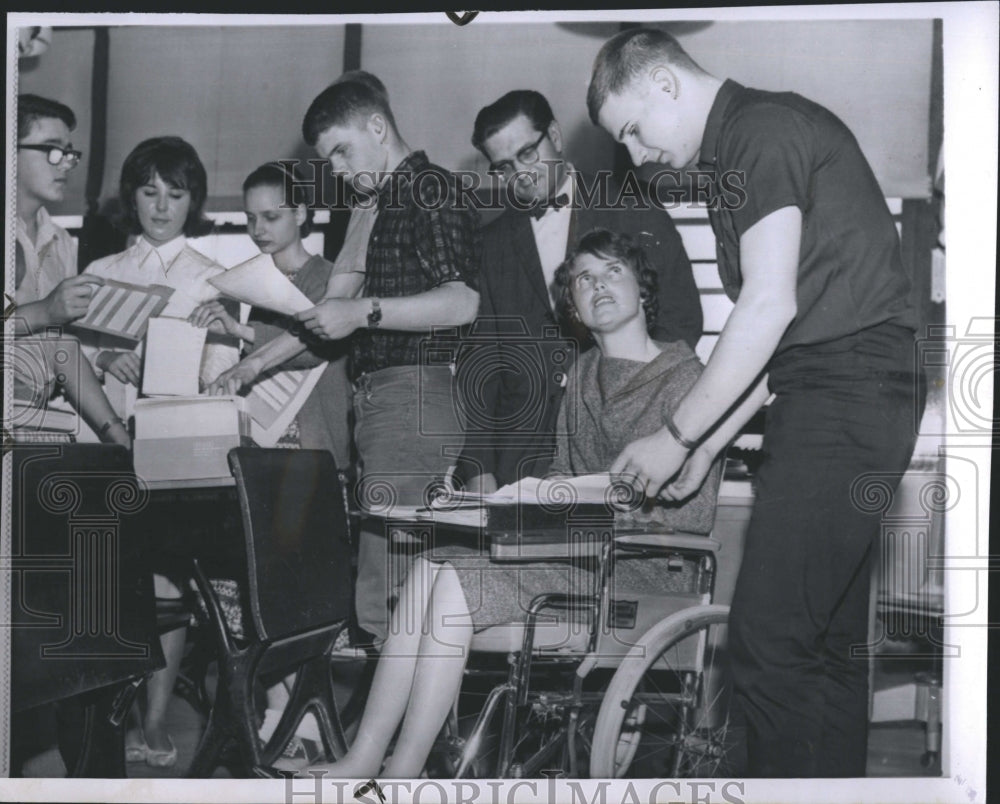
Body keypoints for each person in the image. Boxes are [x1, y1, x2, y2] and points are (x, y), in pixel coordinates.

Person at [587, 28, 924, 777]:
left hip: (847, 386)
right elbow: (777, 347)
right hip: (841, 385)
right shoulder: (735, 158)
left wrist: (674, 434)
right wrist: (705, 449)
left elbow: (767, 308)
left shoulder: (758, 132)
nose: (636, 155)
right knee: (822, 646)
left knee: (766, 643)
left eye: (634, 129)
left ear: (665, 83)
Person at [278, 229, 723, 779]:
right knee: (431, 564)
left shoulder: (688, 380)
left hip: (647, 573)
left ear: (643, 289)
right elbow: (565, 476)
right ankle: (365, 756)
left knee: (458, 583)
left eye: (613, 271)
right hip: (580, 560)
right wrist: (525, 503)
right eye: (584, 278)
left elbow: (693, 515)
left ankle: (403, 775)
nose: (598, 285)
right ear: (573, 307)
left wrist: (583, 509)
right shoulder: (582, 374)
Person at [215, 72, 480, 646]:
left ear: (378, 127)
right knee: (383, 591)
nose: (335, 168)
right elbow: (332, 314)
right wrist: (255, 365)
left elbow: (462, 302)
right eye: (327, 158)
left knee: (397, 595)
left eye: (341, 150)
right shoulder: (372, 203)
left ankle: (405, 736)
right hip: (381, 405)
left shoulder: (429, 189)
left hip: (414, 394)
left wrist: (364, 312)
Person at [80, 136, 239, 768]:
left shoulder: (212, 276)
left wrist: (206, 349)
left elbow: (226, 373)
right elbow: (73, 365)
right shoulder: (100, 274)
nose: (161, 206)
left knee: (171, 585)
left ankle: (154, 718)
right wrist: (102, 357)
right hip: (110, 447)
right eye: (149, 191)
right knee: (113, 583)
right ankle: (111, 710)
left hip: (180, 454)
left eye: (175, 193)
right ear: (132, 196)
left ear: (194, 198)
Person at [458, 89, 703, 495]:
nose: (519, 174)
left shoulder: (633, 209)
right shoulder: (491, 243)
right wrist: (478, 465)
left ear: (554, 134)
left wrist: (641, 409)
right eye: (502, 167)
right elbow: (482, 365)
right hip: (522, 456)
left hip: (623, 441)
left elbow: (682, 321)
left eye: (527, 154)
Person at [13, 93, 128, 448]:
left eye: (69, 153)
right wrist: (46, 310)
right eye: (52, 149)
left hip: (38, 419)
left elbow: (60, 346)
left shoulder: (61, 240)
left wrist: (118, 437)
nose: (65, 163)